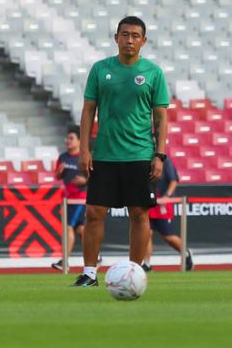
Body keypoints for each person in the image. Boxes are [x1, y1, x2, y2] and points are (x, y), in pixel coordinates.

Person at [73, 16, 170, 287]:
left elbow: (161, 118)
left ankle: (132, 273)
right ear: (116, 38)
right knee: (93, 212)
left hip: (139, 154)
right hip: (104, 154)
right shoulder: (100, 69)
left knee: (139, 213)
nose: (129, 40)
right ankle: (89, 273)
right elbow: (88, 111)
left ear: (143, 41)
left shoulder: (153, 73)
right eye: (124, 34)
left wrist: (159, 155)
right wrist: (84, 150)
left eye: (135, 35)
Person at [143, 153, 193, 271]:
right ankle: (146, 263)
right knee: (146, 233)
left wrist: (167, 196)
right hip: (149, 203)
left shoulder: (165, 162)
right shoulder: (143, 159)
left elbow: (174, 180)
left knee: (167, 236)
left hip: (163, 204)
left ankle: (185, 252)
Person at [51, 126, 87, 271]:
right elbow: (58, 177)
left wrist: (85, 181)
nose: (68, 141)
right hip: (68, 198)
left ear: (79, 141)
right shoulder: (63, 157)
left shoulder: (84, 157)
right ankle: (96, 255)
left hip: (80, 198)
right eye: (67, 138)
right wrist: (59, 172)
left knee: (68, 228)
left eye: (71, 138)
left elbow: (95, 176)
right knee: (81, 230)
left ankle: (64, 261)